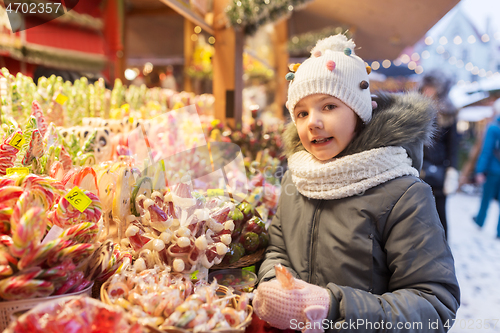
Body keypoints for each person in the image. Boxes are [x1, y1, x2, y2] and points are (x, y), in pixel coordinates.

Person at [253, 34, 460, 333]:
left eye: (328, 106)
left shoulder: (404, 194)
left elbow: (434, 305)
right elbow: (277, 246)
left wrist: (333, 307)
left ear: (360, 113)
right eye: (301, 112)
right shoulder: (296, 178)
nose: (313, 121)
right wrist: (273, 282)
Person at [418, 70, 459, 239]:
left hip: (439, 169)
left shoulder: (448, 112)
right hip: (419, 167)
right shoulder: (417, 108)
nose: (428, 90)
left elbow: (453, 145)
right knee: (419, 212)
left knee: (440, 212)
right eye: (426, 86)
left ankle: (442, 246)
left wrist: (452, 170)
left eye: (432, 87)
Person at [473, 97, 500, 239]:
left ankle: (480, 221)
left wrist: (479, 170)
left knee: (486, 198)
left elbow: (487, 150)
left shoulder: (493, 127)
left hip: (493, 170)